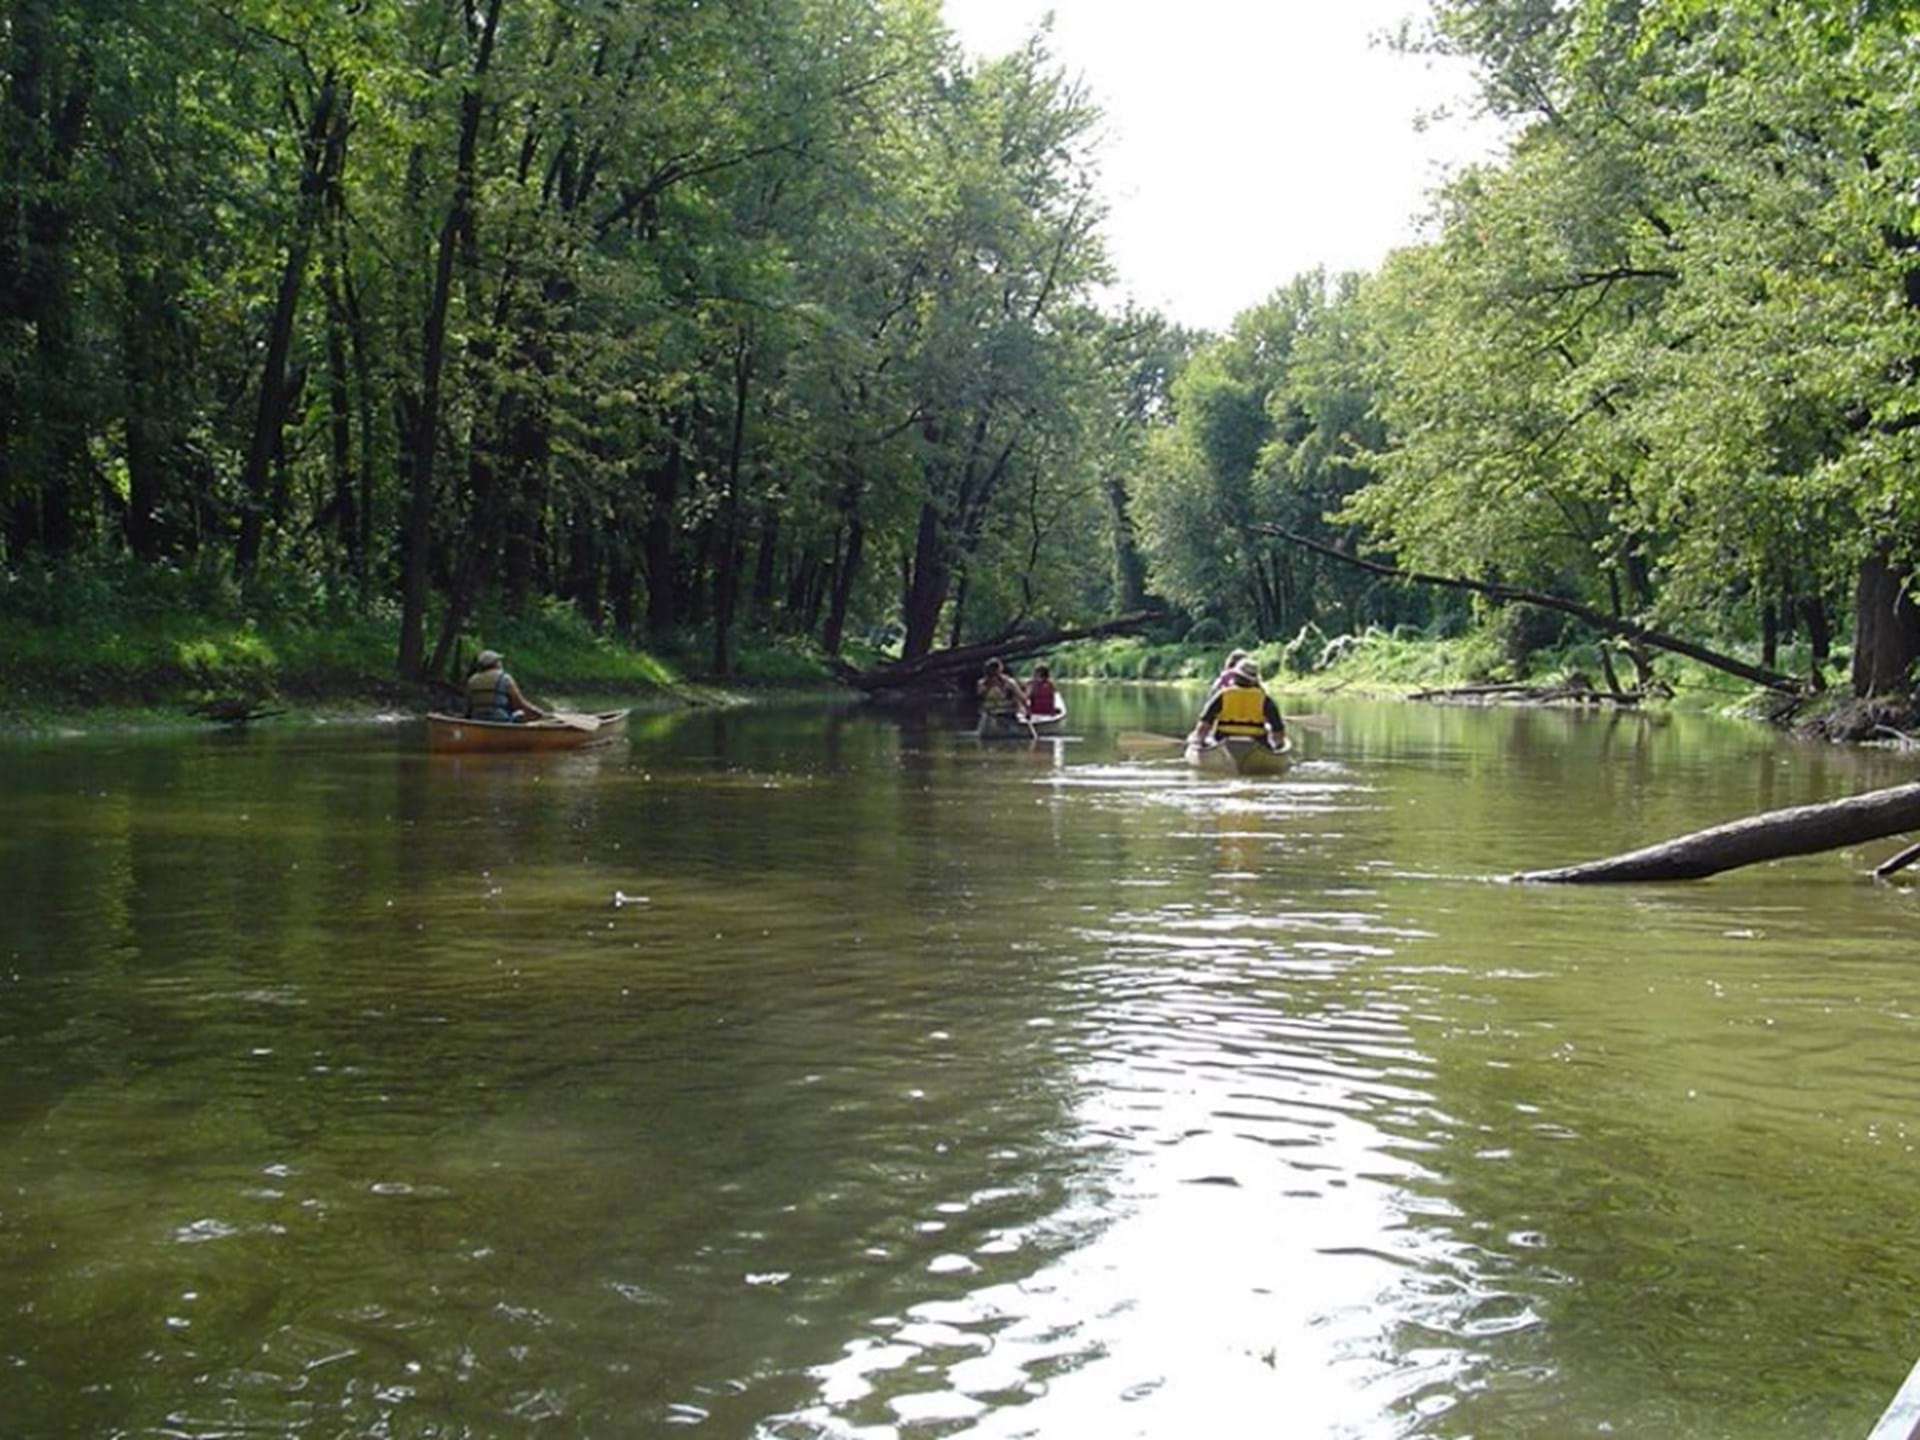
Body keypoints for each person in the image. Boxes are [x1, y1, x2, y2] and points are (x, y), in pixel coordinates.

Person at [1194, 656, 1286, 751]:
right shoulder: (1264, 698)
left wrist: (1199, 741)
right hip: (1257, 741)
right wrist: (1279, 745)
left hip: (1224, 739)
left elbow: (1205, 723)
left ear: (1237, 676)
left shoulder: (1223, 694)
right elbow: (1277, 727)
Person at [465, 649, 545, 723]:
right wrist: (540, 713)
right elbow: (520, 704)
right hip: (500, 721)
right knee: (520, 714)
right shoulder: (505, 678)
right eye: (499, 661)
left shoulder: (472, 680)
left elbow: (468, 708)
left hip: (477, 720)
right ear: (495, 663)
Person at [976, 658, 1028, 723]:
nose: (994, 673)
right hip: (989, 715)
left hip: (1007, 714)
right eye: (992, 670)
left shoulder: (1009, 682)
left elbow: (1022, 698)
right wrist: (989, 686)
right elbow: (980, 696)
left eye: (995, 670)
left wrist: (1026, 710)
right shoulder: (982, 683)